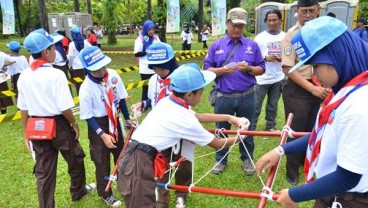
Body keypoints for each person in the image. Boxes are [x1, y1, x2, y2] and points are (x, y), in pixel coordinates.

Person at [256, 16, 368, 208]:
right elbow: (324, 135)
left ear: (336, 57)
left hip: (349, 199)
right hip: (332, 192)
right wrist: (281, 149)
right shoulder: (345, 92)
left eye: (316, 66)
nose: (314, 75)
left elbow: (348, 177)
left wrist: (295, 194)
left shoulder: (359, 107)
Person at [117, 63, 250, 208]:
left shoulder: (168, 101)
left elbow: (197, 115)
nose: (201, 96)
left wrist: (230, 118)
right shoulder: (183, 118)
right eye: (200, 92)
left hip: (135, 155)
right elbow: (218, 144)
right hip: (139, 162)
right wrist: (241, 136)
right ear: (189, 94)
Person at [17, 28, 95, 208]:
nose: (56, 50)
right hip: (59, 124)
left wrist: (25, 133)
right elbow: (64, 108)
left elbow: (23, 108)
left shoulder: (24, 76)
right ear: (46, 51)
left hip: (36, 125)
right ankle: (78, 191)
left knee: (44, 171)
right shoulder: (56, 74)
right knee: (75, 158)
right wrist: (74, 123)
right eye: (53, 47)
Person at [204, 7, 265, 176]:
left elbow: (262, 68)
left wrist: (249, 69)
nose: (237, 29)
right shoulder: (216, 46)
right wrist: (222, 70)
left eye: (241, 26)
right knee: (222, 130)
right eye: (234, 25)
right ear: (227, 24)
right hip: (224, 97)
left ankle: (247, 159)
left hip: (247, 96)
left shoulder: (252, 45)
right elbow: (207, 70)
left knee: (247, 129)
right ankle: (221, 160)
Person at [130, 42, 190, 208]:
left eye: (161, 68)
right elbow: (153, 99)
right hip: (160, 131)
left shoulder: (181, 78)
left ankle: (181, 193)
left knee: (182, 161)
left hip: (180, 126)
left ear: (170, 63)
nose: (158, 72)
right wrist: (143, 103)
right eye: (154, 68)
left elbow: (189, 103)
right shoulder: (153, 79)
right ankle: (162, 198)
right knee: (160, 163)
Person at [281, 0, 330, 185]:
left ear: (318, 10)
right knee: (295, 131)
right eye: (304, 11)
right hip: (299, 89)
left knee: (313, 129)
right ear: (297, 11)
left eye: (312, 11)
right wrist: (312, 88)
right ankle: (292, 171)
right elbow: (288, 68)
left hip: (321, 87)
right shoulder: (292, 36)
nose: (308, 15)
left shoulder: (323, 32)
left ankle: (306, 163)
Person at [78, 46, 133, 207]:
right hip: (98, 125)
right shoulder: (86, 88)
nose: (102, 70)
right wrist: (102, 134)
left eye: (103, 66)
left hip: (114, 121)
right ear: (88, 69)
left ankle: (126, 187)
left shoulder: (113, 75)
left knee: (121, 156)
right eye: (97, 69)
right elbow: (88, 117)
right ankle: (105, 192)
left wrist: (127, 118)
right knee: (101, 161)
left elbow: (121, 98)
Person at [253, 9, 286, 132]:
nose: (271, 23)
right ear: (266, 21)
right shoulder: (260, 38)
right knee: (256, 105)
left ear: (280, 21)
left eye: (274, 20)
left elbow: (290, 55)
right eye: (269, 20)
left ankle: (270, 126)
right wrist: (265, 58)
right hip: (261, 78)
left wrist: (281, 58)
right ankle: (252, 126)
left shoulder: (285, 36)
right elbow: (253, 57)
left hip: (278, 77)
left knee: (273, 105)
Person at [134, 20, 160, 101]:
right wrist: (147, 52)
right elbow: (136, 53)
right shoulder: (140, 39)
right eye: (149, 29)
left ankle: (155, 101)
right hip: (145, 68)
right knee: (145, 87)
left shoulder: (156, 38)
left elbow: (160, 48)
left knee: (155, 85)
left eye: (153, 29)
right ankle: (144, 104)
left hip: (155, 67)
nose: (151, 31)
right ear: (145, 29)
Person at [68, 25, 92, 95]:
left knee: (79, 84)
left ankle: (81, 97)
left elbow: (70, 56)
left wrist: (70, 65)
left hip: (77, 67)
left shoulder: (72, 44)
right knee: (87, 82)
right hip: (85, 66)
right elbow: (91, 48)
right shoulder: (85, 42)